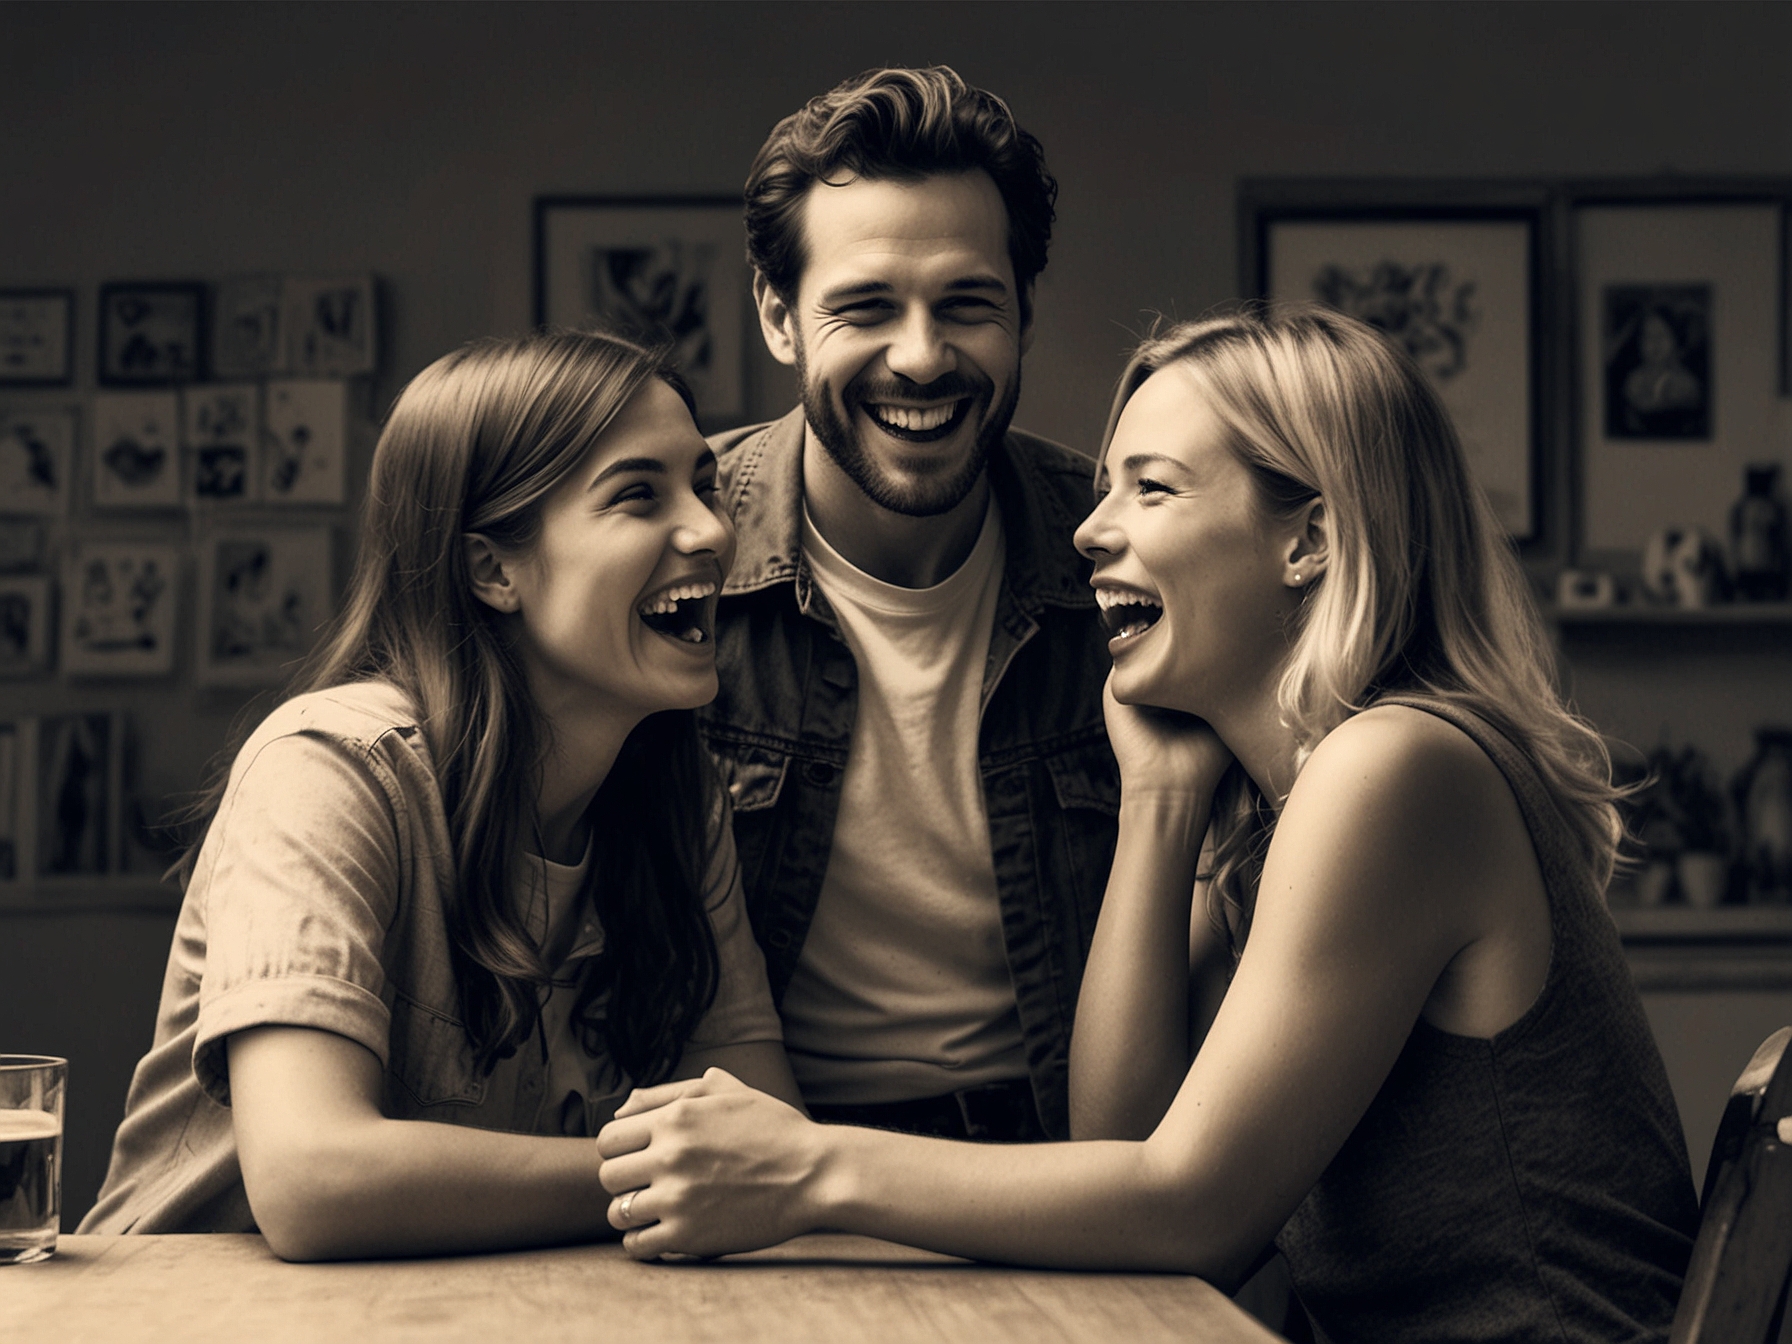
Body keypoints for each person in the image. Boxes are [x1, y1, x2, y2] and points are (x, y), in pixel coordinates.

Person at [595, 306, 1701, 1344]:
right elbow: (1119, 1154)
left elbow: (1194, 1216)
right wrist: (1161, 804)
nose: (1088, 530)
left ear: (1308, 539)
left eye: (1152, 490)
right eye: (1104, 487)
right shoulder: (1288, 800)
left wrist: (805, 1169)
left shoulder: (1395, 768)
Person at [79, 330, 800, 1259]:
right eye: (637, 496)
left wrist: (745, 1171)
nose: (710, 529)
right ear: (493, 571)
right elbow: (314, 1178)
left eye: (702, 484)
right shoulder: (330, 769)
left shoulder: (674, 795)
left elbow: (763, 1120)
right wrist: (666, 1177)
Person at [698, 64, 1117, 1146]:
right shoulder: (663, 557)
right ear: (778, 315)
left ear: (1023, 309)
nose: (921, 357)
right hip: (742, 1147)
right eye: (866, 307)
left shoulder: (1124, 559)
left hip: (1063, 1157)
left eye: (966, 304)